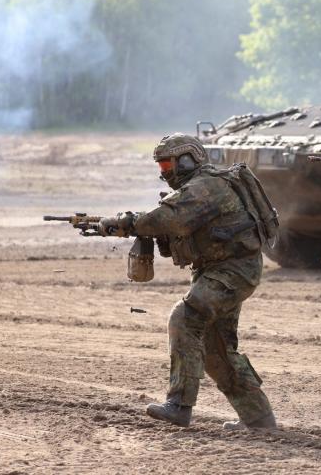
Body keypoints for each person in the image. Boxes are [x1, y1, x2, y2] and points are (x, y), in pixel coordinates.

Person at [97, 133, 277, 429]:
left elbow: (170, 218)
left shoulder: (207, 185)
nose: (165, 172)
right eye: (160, 166)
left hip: (234, 270)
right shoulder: (198, 187)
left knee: (185, 318)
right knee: (216, 348)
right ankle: (259, 419)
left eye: (168, 164)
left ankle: (179, 406)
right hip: (219, 270)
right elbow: (171, 221)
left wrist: (125, 222)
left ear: (188, 159)